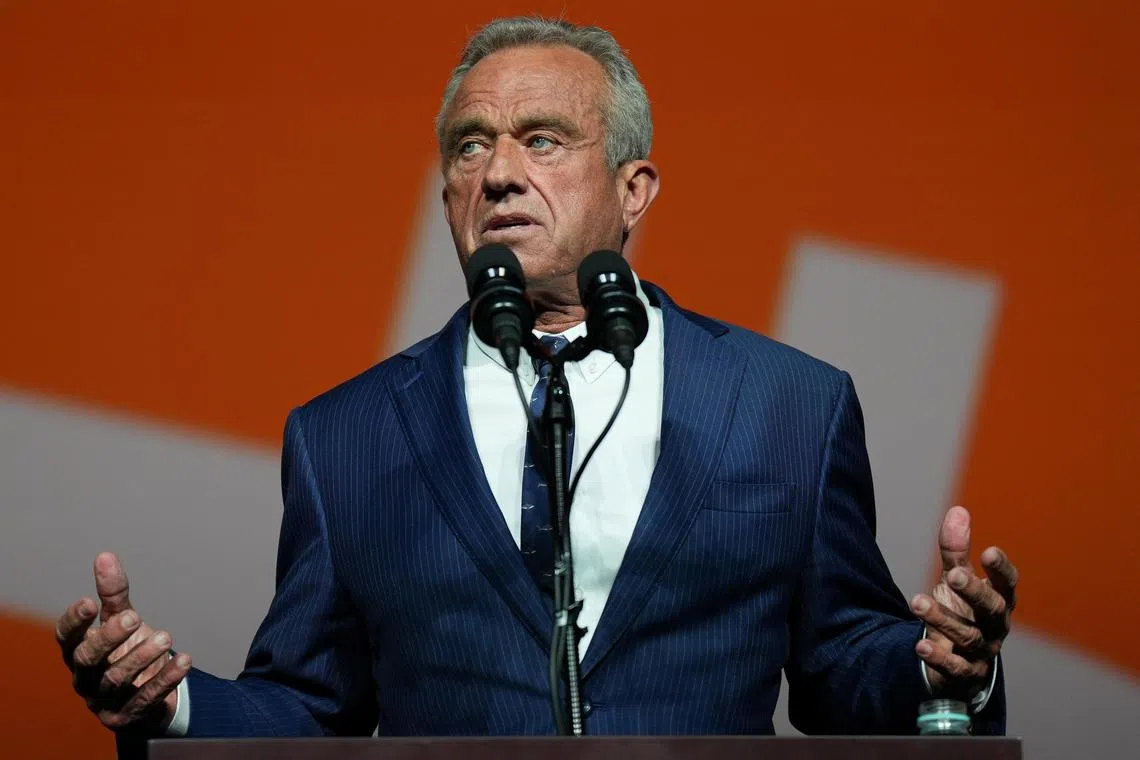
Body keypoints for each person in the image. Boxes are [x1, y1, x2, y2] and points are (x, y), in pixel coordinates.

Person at [56, 17, 1017, 755]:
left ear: (634, 190)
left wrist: (949, 672)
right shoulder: (345, 435)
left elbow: (843, 665)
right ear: (447, 196)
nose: (500, 174)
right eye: (470, 147)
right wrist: (168, 705)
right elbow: (310, 708)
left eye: (544, 140)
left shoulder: (787, 405)